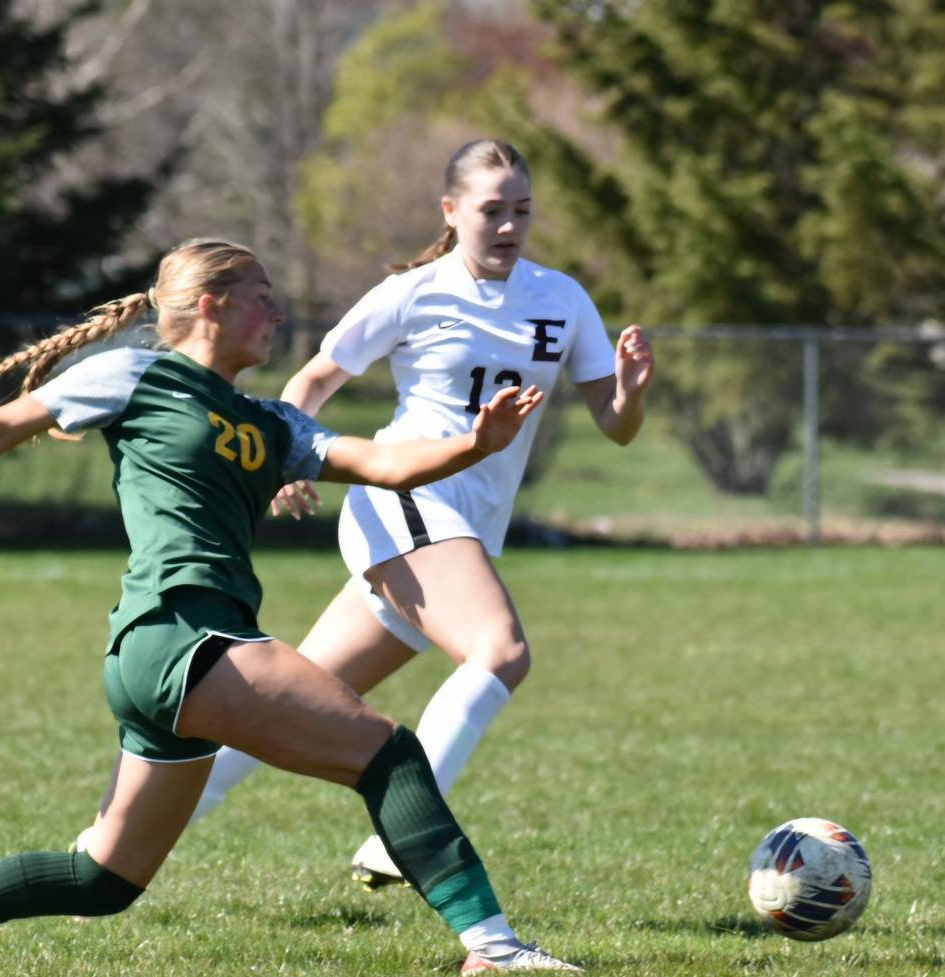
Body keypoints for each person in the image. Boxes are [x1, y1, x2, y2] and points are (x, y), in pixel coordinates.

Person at [0, 238, 579, 977]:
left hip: (167, 656)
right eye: (263, 301)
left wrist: (477, 445)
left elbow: (381, 461)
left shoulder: (272, 421)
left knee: (102, 878)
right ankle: (494, 947)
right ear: (211, 305)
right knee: (388, 755)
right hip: (184, 633)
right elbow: (2, 426)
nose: (277, 317)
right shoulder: (137, 377)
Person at [182, 140, 656, 889]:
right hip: (402, 499)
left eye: (522, 211)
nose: (509, 226)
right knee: (500, 650)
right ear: (451, 211)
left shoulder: (562, 298)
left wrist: (629, 390)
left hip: (458, 531)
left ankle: (118, 837)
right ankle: (405, 832)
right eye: (492, 210)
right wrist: (288, 459)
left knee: (285, 705)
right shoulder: (414, 291)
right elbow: (315, 376)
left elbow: (617, 424)